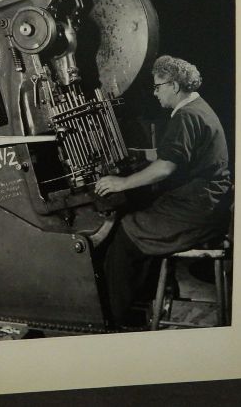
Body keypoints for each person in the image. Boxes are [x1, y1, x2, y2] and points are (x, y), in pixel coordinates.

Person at [95, 55, 232, 327]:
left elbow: (165, 168)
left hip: (198, 210)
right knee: (141, 213)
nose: (155, 93)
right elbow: (175, 153)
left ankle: (115, 318)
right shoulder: (199, 108)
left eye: (158, 86)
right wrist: (140, 154)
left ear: (175, 85)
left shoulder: (186, 116)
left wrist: (120, 182)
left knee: (126, 231)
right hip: (210, 204)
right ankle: (144, 302)